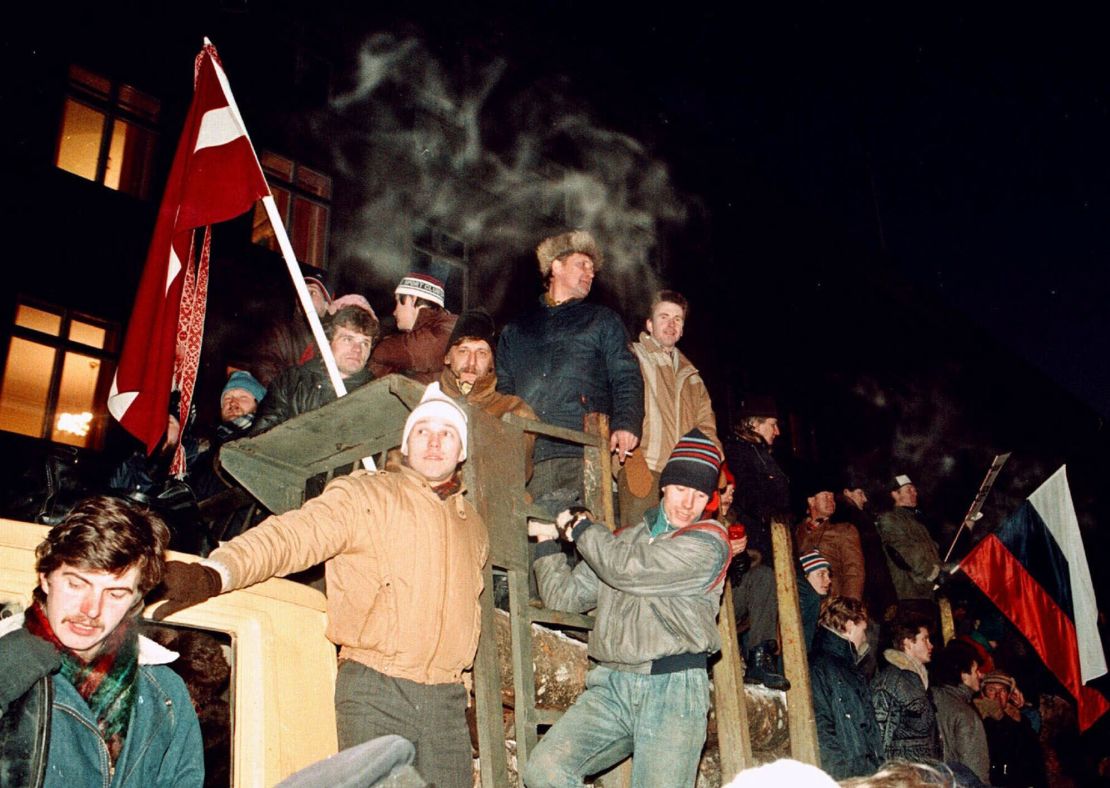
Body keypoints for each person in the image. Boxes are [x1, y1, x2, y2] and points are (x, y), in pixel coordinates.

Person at [155, 392, 486, 788]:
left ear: (462, 450)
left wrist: (466, 694)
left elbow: (471, 617)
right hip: (377, 689)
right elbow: (292, 536)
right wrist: (217, 572)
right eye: (423, 430)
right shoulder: (366, 496)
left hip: (446, 705)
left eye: (447, 433)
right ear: (405, 443)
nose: (434, 442)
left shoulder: (473, 527)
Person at [522, 429, 731, 787]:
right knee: (545, 770)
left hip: (673, 688)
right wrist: (546, 542)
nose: (687, 503)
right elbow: (565, 598)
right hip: (612, 686)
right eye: (681, 489)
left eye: (699, 495)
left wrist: (584, 528)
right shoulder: (621, 541)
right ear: (664, 486)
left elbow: (629, 569)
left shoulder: (708, 542)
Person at [0, 496, 203, 786]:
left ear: (136, 599)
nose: (91, 610)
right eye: (76, 584)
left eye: (115, 593)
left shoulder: (167, 694)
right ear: (46, 578)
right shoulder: (5, 658)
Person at [496, 230, 643, 512]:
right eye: (582, 265)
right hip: (530, 455)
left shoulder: (602, 321)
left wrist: (626, 423)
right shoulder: (517, 329)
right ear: (556, 266)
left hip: (583, 449)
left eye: (592, 268)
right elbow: (504, 390)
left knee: (586, 541)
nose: (590, 273)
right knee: (538, 545)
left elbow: (626, 375)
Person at [619, 289, 719, 527]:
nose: (671, 324)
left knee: (679, 547)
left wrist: (712, 462)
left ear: (682, 330)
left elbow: (706, 425)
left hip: (684, 476)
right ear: (649, 324)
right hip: (643, 463)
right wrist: (626, 461)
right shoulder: (630, 356)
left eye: (677, 319)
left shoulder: (692, 377)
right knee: (640, 542)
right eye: (663, 316)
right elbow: (617, 402)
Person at [433, 308, 537, 478]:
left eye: (481, 353)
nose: (471, 362)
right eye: (463, 351)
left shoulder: (513, 408)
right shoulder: (426, 403)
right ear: (447, 358)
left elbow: (514, 472)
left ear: (491, 363)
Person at [251, 303, 379, 435]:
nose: (357, 349)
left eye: (365, 343)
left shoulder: (376, 393)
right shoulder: (291, 382)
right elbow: (260, 437)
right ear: (327, 342)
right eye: (348, 339)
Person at [808, 595, 882, 780]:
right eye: (862, 629)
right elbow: (823, 728)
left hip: (860, 774)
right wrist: (840, 779)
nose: (865, 636)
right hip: (848, 776)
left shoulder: (844, 667)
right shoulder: (825, 666)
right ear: (849, 626)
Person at [871, 610, 941, 762]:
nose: (931, 645)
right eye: (925, 639)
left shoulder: (918, 679)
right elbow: (881, 737)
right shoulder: (893, 680)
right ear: (908, 643)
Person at [251, 263, 333, 387]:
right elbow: (265, 367)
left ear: (326, 304)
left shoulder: (335, 336)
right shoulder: (281, 332)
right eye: (301, 292)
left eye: (312, 293)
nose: (304, 296)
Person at [369, 272, 457, 384]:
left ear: (412, 299)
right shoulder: (421, 334)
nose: (394, 312)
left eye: (398, 302)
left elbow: (423, 352)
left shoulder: (451, 325)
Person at [876, 474, 942, 617]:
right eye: (909, 490)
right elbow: (902, 551)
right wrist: (930, 572)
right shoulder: (890, 519)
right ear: (895, 494)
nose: (915, 493)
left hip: (925, 592)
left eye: (914, 489)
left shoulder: (916, 521)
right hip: (909, 592)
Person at [929, 639, 989, 784]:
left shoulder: (929, 698)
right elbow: (975, 771)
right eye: (976, 671)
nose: (981, 676)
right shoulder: (965, 715)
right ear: (964, 675)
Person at [975, 670, 1047, 787]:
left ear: (1009, 695)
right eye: (991, 690)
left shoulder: (1021, 721)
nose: (997, 696)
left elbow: (1035, 763)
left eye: (1002, 691)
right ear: (983, 694)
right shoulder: (977, 719)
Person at [795, 487, 865, 600]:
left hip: (831, 602)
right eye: (826, 496)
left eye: (832, 497)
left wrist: (848, 607)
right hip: (804, 604)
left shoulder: (844, 530)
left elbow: (854, 572)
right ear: (811, 501)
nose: (831, 501)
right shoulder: (796, 531)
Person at [799, 549, 832, 652]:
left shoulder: (819, 602)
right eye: (821, 574)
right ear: (805, 577)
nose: (829, 580)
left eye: (828, 575)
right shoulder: (811, 600)